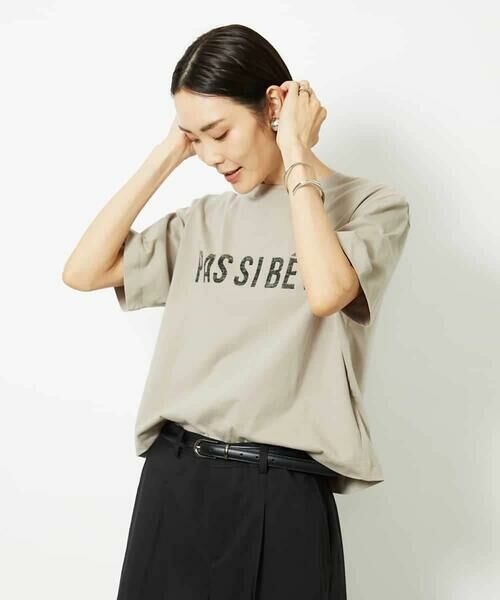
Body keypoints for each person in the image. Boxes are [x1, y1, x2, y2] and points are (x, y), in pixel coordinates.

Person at [62, 23, 410, 600]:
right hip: (176, 481)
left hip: (285, 492)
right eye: (195, 138)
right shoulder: (204, 220)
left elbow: (327, 292)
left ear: (273, 106)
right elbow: (84, 271)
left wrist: (295, 154)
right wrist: (167, 153)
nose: (210, 156)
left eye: (219, 132)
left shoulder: (370, 208)